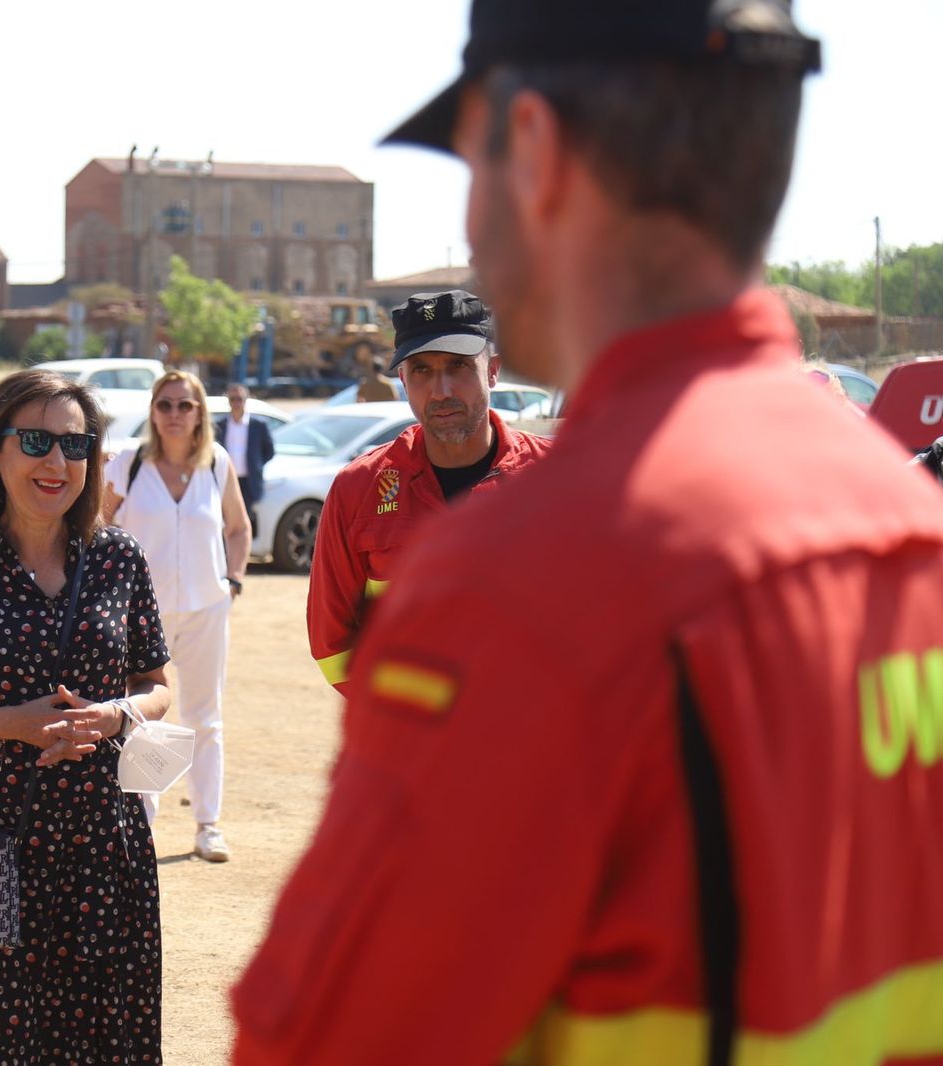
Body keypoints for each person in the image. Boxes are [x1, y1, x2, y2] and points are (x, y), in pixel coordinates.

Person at [236, 3, 943, 1063]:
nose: (471, 219)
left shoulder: (524, 587)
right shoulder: (905, 528)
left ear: (532, 149)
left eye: (468, 158)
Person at [0, 369, 172, 1062]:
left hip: (103, 836)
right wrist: (5, 722)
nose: (57, 463)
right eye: (37, 442)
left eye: (75, 446)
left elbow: (157, 687)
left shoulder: (119, 560)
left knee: (108, 1028)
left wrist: (114, 715)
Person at [306, 290, 551, 698]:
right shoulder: (359, 488)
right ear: (402, 380)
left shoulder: (557, 478)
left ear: (493, 371)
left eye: (458, 366)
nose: (440, 390)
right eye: (421, 370)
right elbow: (332, 645)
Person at [105, 369, 251, 862]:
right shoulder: (128, 463)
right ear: (152, 411)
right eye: (164, 405)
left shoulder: (217, 464)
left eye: (184, 406)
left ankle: (208, 824)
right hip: (141, 617)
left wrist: (232, 580)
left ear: (199, 413)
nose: (173, 414)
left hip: (207, 608)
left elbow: (238, 527)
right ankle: (142, 822)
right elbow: (96, 527)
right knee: (143, 717)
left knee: (205, 716)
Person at [215, 382, 276, 522]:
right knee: (224, 521)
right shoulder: (219, 426)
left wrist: (257, 465)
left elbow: (269, 451)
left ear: (246, 400)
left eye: (239, 399)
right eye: (233, 399)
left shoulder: (258, 425)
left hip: (249, 482)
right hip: (225, 480)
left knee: (244, 521)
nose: (236, 403)